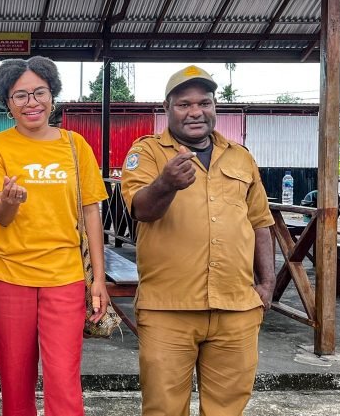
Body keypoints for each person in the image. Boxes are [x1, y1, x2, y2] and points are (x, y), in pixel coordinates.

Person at [120, 65, 275, 416]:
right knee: (163, 408)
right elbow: (140, 210)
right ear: (167, 108)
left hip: (236, 307)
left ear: (215, 106)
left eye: (204, 102)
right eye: (184, 104)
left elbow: (260, 222)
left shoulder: (240, 156)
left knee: (228, 408)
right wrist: (166, 183)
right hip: (168, 308)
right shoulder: (147, 153)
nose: (195, 112)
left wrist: (267, 284)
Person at [0, 56, 109, 416]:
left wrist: (98, 278)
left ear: (53, 97)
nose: (31, 102)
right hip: (7, 274)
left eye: (39, 93)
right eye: (20, 95)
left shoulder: (75, 145)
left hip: (64, 276)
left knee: (64, 379)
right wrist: (10, 202)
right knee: (15, 379)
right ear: (7, 104)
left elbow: (91, 211)